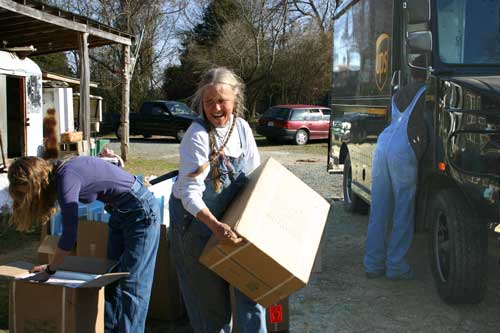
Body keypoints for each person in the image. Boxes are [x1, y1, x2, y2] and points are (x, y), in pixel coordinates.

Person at [8, 155, 160, 333]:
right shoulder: (57, 171)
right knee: (113, 278)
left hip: (140, 211)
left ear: (35, 183)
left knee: (132, 283)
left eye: (27, 192)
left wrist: (50, 270)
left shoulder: (66, 178)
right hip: (120, 212)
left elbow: (69, 235)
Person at [169, 67, 267, 333]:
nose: (215, 108)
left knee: (252, 296)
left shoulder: (244, 129)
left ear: (235, 99)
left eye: (222, 100)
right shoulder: (196, 136)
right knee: (213, 312)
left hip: (232, 223)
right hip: (196, 228)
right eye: (208, 101)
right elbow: (190, 193)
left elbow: (255, 176)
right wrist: (216, 226)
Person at [364, 55, 428, 280]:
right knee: (403, 210)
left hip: (384, 144)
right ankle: (396, 266)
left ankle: (373, 264)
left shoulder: (400, 92)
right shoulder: (426, 92)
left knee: (379, 208)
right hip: (403, 149)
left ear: (413, 72)